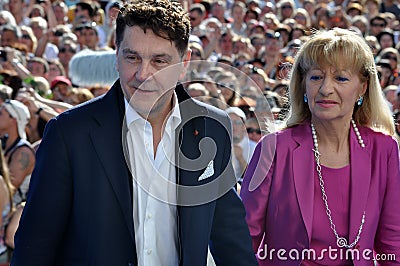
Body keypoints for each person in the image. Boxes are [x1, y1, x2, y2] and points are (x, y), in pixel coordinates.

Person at [11, 1, 257, 265]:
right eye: (132, 57)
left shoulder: (212, 127)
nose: (143, 74)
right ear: (116, 56)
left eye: (159, 61)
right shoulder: (69, 133)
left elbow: (229, 236)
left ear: (184, 63)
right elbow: (35, 247)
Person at [240, 28, 400, 265]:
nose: (326, 89)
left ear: (363, 88)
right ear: (303, 85)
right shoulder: (274, 148)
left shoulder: (384, 149)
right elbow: (243, 239)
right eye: (316, 77)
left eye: (341, 78)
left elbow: (392, 243)